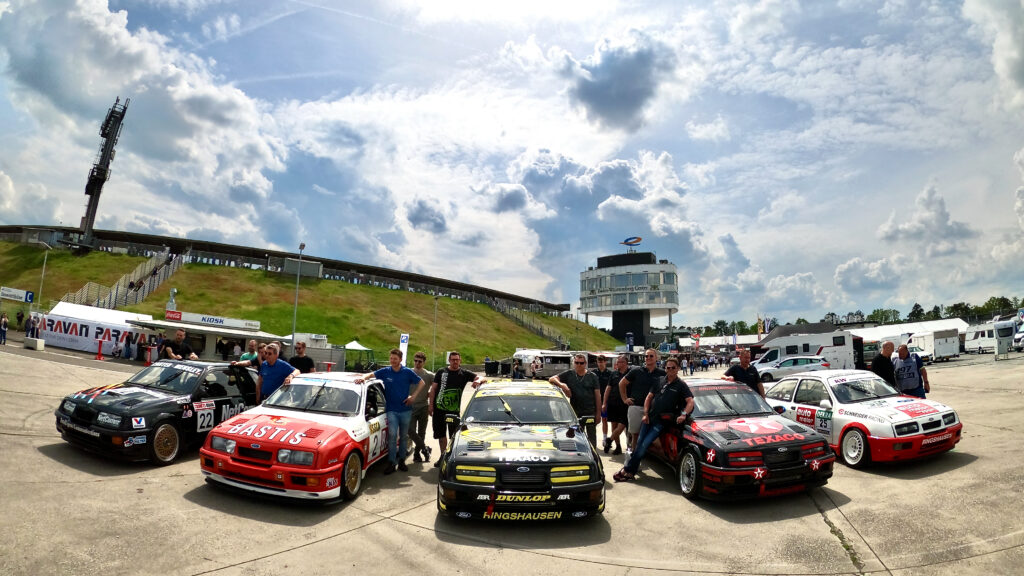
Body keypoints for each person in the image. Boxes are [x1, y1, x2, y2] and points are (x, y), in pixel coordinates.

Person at [613, 356, 694, 482]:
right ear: (665, 368)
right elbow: (648, 398)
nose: (670, 370)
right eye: (668, 367)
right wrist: (645, 413)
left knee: (644, 444)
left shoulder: (681, 385)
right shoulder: (659, 380)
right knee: (640, 443)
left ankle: (626, 470)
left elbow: (690, 402)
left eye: (673, 367)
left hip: (661, 422)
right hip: (649, 418)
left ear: (678, 368)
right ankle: (630, 472)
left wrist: (683, 414)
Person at [356, 349, 426, 474]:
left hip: (405, 410)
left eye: (395, 359)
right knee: (393, 436)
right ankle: (391, 462)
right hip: (391, 410)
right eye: (391, 358)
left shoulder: (407, 372)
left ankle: (402, 461)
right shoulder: (385, 371)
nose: (392, 361)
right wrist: (363, 377)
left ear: (400, 360)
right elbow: (372, 374)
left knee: (404, 437)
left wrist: (413, 397)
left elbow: (422, 383)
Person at [428, 350, 485, 467]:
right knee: (441, 435)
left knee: (454, 436)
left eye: (457, 360)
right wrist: (431, 405)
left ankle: (451, 458)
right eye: (453, 360)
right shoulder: (441, 372)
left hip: (453, 412)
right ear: (449, 360)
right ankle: (443, 457)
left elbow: (482, 378)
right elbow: (433, 389)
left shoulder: (463, 373)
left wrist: (477, 381)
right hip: (439, 410)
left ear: (460, 361)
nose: (455, 362)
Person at [618, 348, 666, 454]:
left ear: (656, 358)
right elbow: (622, 383)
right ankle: (636, 459)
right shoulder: (636, 371)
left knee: (654, 439)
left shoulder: (662, 373)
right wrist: (624, 399)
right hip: (636, 406)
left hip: (653, 410)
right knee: (635, 435)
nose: (648, 358)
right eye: (646, 356)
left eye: (651, 356)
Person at [549, 353, 601, 445]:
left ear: (585, 363)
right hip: (575, 413)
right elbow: (552, 379)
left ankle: (593, 455)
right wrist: (563, 385)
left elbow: (597, 395)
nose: (579, 365)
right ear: (574, 363)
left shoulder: (592, 376)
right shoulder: (569, 374)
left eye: (581, 363)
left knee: (592, 437)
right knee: (575, 436)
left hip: (590, 412)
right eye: (577, 362)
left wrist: (598, 414)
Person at [601, 354, 630, 455]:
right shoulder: (613, 374)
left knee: (622, 425)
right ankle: (618, 447)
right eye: (617, 362)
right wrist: (604, 403)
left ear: (626, 363)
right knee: (614, 424)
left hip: (625, 404)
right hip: (613, 403)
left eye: (620, 362)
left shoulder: (631, 373)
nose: (618, 364)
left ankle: (609, 440)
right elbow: (608, 389)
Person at [408, 351, 434, 463]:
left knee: (422, 432)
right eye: (415, 361)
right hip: (410, 407)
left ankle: (417, 453)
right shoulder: (408, 373)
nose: (417, 363)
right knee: (410, 430)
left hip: (423, 407)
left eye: (420, 361)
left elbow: (436, 387)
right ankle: (425, 449)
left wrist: (430, 395)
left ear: (424, 362)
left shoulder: (429, 375)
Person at [591, 355, 616, 451]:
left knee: (604, 419)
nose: (600, 363)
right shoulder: (593, 373)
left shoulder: (610, 373)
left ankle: (605, 438)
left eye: (602, 362)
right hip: (595, 400)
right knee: (593, 420)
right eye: (599, 362)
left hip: (605, 401)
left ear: (605, 362)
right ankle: (592, 440)